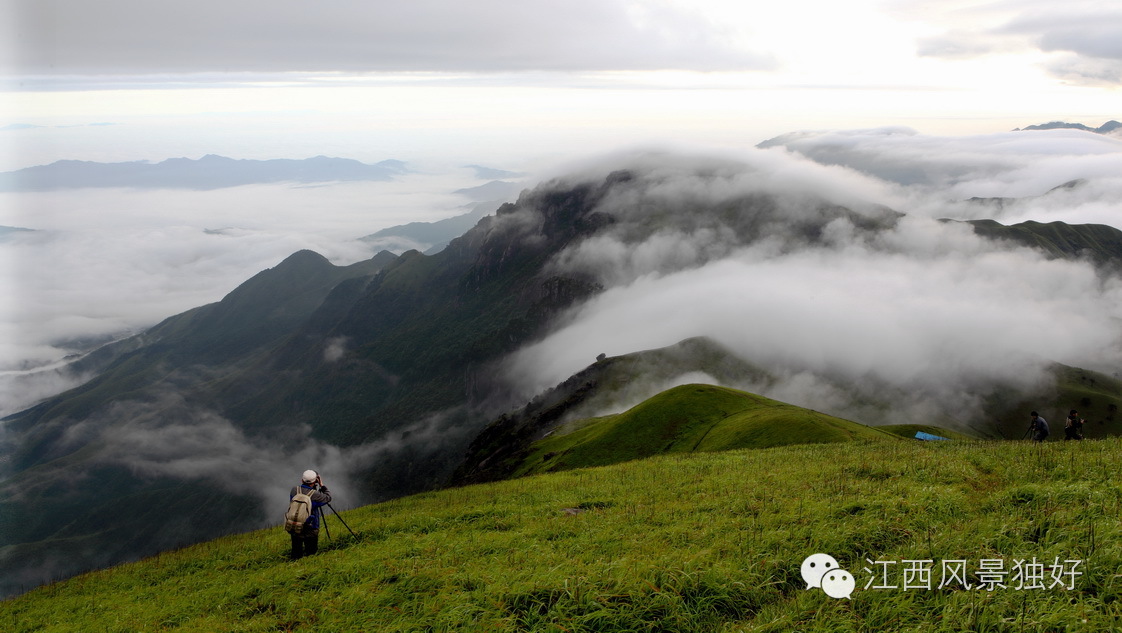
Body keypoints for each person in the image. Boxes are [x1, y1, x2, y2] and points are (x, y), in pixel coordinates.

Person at [290, 469, 331, 560]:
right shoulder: (315, 495)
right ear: (315, 481)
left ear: (302, 480)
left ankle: (294, 567)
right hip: (311, 526)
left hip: (294, 525)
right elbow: (328, 498)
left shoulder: (294, 490)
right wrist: (322, 485)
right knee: (311, 554)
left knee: (296, 553)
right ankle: (309, 568)